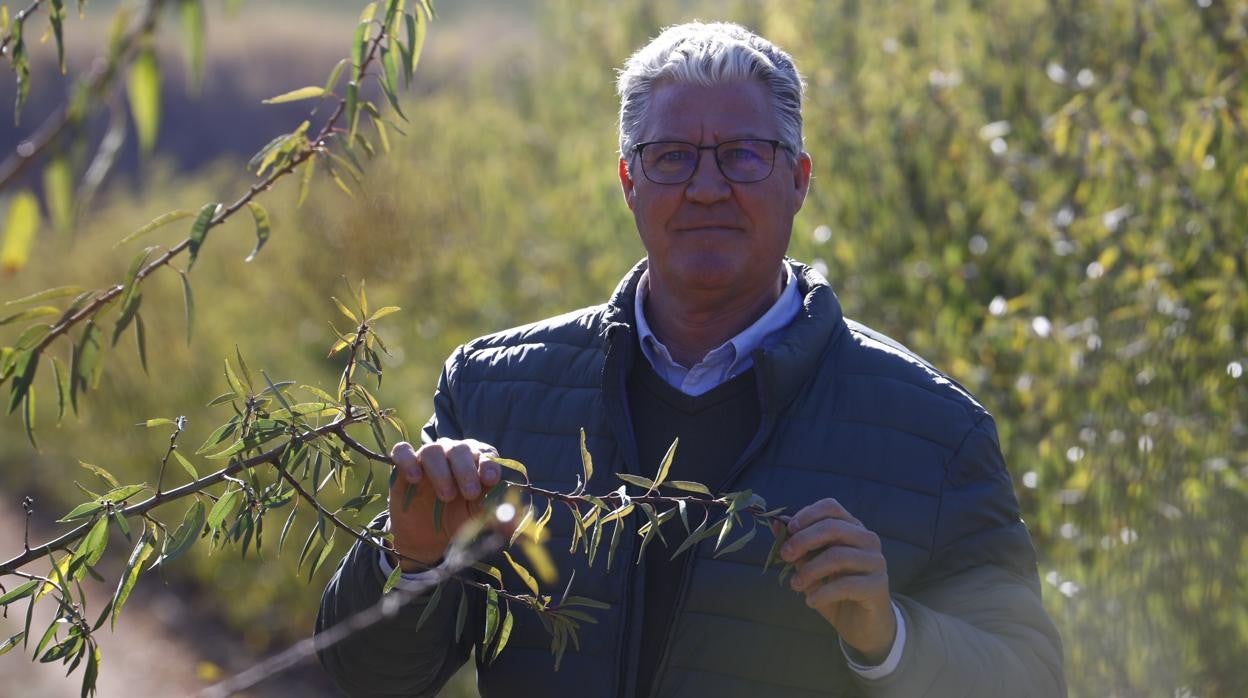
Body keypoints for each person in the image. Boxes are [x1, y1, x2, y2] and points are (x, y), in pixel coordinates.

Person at [317, 21, 1066, 698]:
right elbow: (365, 678)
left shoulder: (932, 433)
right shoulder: (496, 392)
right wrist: (410, 567)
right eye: (672, 157)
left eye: (743, 155)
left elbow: (1029, 680)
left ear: (799, 179)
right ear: (628, 181)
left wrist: (889, 639)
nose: (707, 188)